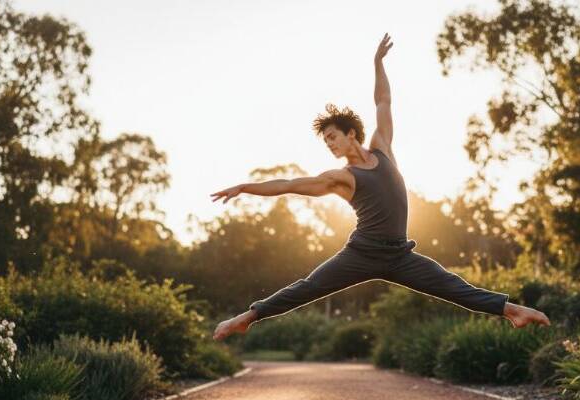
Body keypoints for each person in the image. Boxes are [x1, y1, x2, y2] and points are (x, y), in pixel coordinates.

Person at [209, 33, 550, 341]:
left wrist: (377, 63)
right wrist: (244, 187)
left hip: (399, 253)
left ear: (350, 134)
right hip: (362, 253)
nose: (329, 144)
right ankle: (248, 317)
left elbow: (383, 101)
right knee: (309, 287)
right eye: (325, 140)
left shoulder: (381, 147)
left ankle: (512, 311)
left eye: (332, 137)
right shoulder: (340, 177)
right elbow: (290, 184)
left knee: (452, 285)